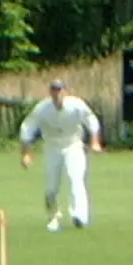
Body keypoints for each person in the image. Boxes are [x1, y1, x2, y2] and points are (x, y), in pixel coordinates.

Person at [18, 79, 104, 232]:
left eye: (60, 90)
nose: (57, 94)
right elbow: (27, 129)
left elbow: (91, 121)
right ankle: (53, 218)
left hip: (73, 144)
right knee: (52, 186)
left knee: (75, 178)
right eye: (54, 90)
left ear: (65, 91)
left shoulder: (76, 105)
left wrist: (95, 142)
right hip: (52, 147)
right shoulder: (42, 109)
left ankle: (80, 216)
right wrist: (26, 154)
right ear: (50, 92)